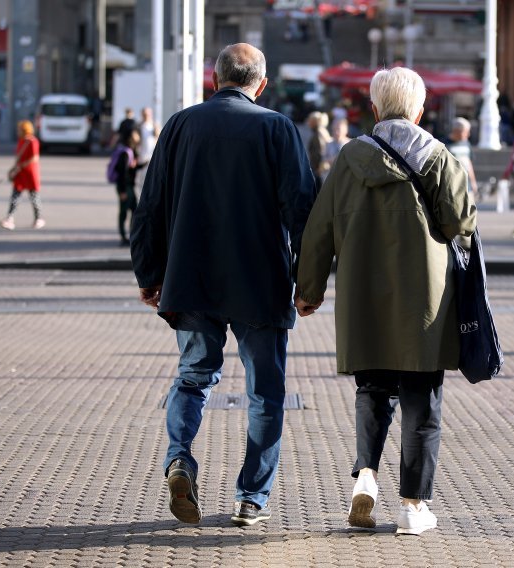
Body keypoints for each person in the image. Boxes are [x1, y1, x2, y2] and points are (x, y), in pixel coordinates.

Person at [130, 43, 316, 527]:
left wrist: (150, 274)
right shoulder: (277, 128)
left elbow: (149, 206)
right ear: (262, 83)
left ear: (214, 79)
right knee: (265, 392)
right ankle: (251, 496)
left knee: (193, 377)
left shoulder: (179, 126)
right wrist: (309, 280)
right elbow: (302, 210)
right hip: (260, 280)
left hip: (191, 277)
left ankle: (179, 460)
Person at [295, 67, 476, 536]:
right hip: (425, 305)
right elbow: (461, 223)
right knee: (421, 403)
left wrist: (309, 290)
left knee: (372, 392)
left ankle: (368, 478)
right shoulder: (438, 157)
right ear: (419, 109)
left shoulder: (349, 159)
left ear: (374, 109)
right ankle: (414, 508)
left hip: (363, 302)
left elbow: (319, 230)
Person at [0, 121, 45, 230]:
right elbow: (19, 156)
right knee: (15, 196)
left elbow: (35, 157)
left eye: (19, 129)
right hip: (20, 173)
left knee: (34, 197)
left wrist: (21, 166)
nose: (17, 131)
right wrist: (14, 168)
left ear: (24, 130)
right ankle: (10, 218)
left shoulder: (33, 141)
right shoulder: (21, 141)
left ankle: (38, 218)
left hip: (30, 173)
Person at [114, 129, 139, 246]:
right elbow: (122, 173)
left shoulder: (132, 150)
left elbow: (131, 168)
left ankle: (132, 235)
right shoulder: (125, 152)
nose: (138, 136)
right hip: (125, 187)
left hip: (129, 186)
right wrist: (122, 191)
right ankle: (123, 237)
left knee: (135, 210)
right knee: (124, 212)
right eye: (135, 134)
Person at [445, 117, 479, 199]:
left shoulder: (466, 143)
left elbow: (469, 164)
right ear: (456, 131)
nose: (468, 134)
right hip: (451, 186)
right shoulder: (444, 144)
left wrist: (473, 182)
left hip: (467, 185)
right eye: (466, 132)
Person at [307, 111, 331, 189]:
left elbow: (321, 151)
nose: (308, 122)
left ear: (315, 121)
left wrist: (319, 167)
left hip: (319, 168)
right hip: (319, 167)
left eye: (310, 120)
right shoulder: (320, 131)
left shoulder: (319, 133)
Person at [136, 107, 160, 182]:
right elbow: (136, 140)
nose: (146, 116)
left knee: (152, 178)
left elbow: (159, 137)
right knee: (141, 178)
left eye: (148, 114)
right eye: (145, 114)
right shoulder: (139, 126)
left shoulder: (154, 125)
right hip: (142, 156)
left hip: (152, 155)